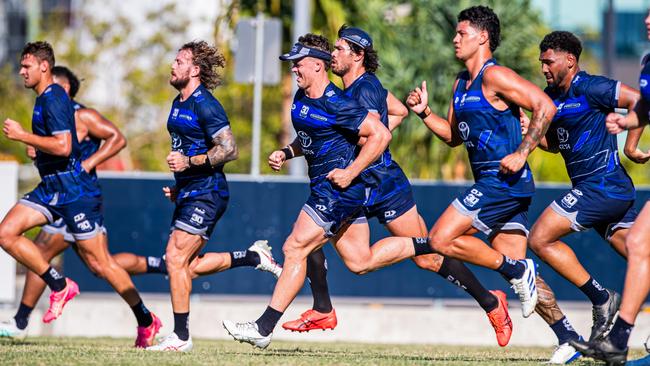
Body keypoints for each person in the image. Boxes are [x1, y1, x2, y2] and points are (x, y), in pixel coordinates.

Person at [0, 66, 281, 341]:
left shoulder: (81, 115)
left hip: (80, 198)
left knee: (107, 263)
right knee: (176, 266)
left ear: (63, 89)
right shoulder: (51, 118)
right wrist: (36, 147)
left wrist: (87, 162)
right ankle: (249, 258)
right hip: (56, 196)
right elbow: (56, 153)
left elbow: (115, 139)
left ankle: (174, 332)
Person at [282, 25, 513, 348]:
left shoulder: (362, 91)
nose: (332, 54)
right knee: (313, 240)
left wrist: (354, 158)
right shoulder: (343, 89)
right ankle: (322, 308)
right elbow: (400, 110)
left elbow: (372, 133)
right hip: (354, 186)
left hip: (383, 184)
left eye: (339, 49)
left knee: (428, 255)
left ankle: (492, 302)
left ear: (358, 55)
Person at [0, 42, 160, 348]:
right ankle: (56, 288)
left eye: (26, 66)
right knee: (7, 234)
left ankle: (145, 319)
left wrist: (24, 136)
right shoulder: (42, 99)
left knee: (102, 265)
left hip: (76, 192)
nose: (21, 71)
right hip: (51, 187)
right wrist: (35, 146)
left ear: (45, 67)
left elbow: (64, 146)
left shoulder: (58, 100)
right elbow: (54, 147)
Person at [146, 40, 275, 352]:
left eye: (179, 62)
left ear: (195, 70)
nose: (172, 66)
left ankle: (180, 337)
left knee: (174, 258)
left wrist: (189, 164)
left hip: (208, 193)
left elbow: (229, 149)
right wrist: (182, 184)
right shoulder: (179, 102)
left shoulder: (206, 104)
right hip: (191, 190)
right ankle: (253, 257)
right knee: (187, 268)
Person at [528, 30, 642, 349]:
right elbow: (556, 144)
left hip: (602, 186)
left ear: (570, 60)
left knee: (539, 238)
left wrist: (631, 146)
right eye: (542, 63)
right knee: (640, 256)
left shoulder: (593, 87)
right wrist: (534, 135)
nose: (544, 68)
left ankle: (602, 299)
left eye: (549, 62)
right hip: (601, 190)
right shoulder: (551, 98)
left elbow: (639, 101)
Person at [569, 12, 650, 365]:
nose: (647, 18)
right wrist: (628, 121)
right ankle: (618, 341)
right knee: (637, 243)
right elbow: (645, 108)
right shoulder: (648, 61)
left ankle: (618, 340)